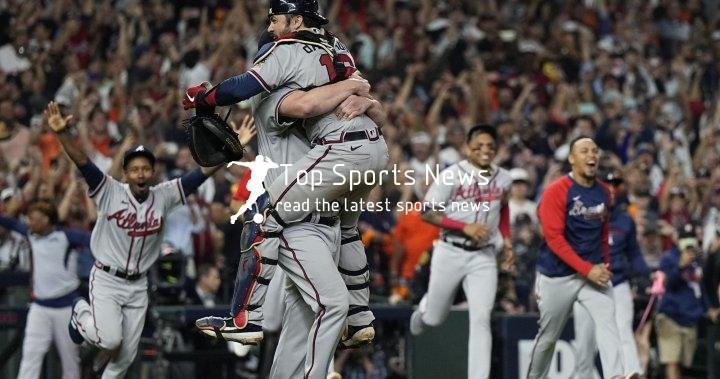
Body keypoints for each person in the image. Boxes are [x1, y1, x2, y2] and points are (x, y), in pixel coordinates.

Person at [38, 101, 247, 378]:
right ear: (125, 173)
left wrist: (229, 149)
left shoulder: (164, 195)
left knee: (124, 358)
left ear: (153, 173)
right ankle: (79, 314)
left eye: (146, 169)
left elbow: (199, 175)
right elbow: (82, 161)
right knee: (111, 340)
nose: (140, 173)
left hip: (138, 286)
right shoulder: (109, 191)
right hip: (107, 279)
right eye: (134, 169)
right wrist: (63, 135)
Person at [526, 136, 638, 379]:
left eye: (595, 151)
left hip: (592, 273)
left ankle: (616, 375)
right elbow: (554, 240)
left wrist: (604, 264)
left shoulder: (604, 193)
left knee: (609, 321)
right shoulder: (556, 191)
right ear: (572, 159)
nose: (592, 155)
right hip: (557, 275)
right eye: (584, 150)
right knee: (548, 338)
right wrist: (587, 269)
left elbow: (603, 232)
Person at [409, 124, 514, 379]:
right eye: (478, 146)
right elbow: (426, 212)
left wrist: (508, 241)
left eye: (490, 145)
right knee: (435, 318)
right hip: (450, 250)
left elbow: (504, 208)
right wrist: (463, 226)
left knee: (481, 318)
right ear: (467, 148)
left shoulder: (504, 178)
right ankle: (424, 310)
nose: (485, 150)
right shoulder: (451, 175)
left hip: (484, 256)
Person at [573, 170, 650, 377]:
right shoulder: (584, 214)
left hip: (617, 283)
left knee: (623, 329)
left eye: (616, 185)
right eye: (608, 184)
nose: (613, 189)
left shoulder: (625, 220)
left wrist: (649, 275)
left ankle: (631, 373)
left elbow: (634, 253)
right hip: (587, 284)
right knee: (585, 343)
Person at [1, 201, 89, 379]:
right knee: (30, 357)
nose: (29, 222)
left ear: (46, 219)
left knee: (70, 362)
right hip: (40, 307)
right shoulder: (31, 234)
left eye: (33, 219)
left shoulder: (67, 236)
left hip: (66, 308)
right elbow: (8, 222)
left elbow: (95, 240)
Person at [655, 223, 720, 379]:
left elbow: (702, 288)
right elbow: (665, 286)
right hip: (671, 316)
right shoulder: (668, 258)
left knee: (685, 366)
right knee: (672, 362)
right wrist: (680, 266)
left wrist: (708, 309)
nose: (688, 241)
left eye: (691, 237)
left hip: (690, 317)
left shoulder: (699, 261)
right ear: (677, 239)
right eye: (684, 237)